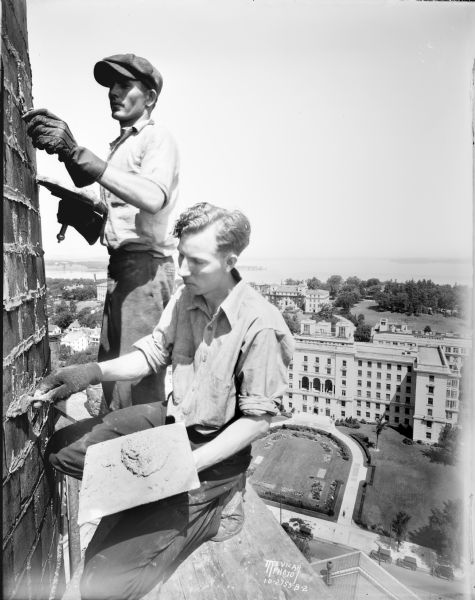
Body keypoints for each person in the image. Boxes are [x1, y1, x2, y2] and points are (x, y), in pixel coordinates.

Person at [38, 203, 294, 600]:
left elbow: (257, 421)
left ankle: (217, 511)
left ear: (230, 261)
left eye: (196, 261)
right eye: (180, 256)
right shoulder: (186, 295)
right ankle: (142, 497)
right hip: (171, 421)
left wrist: (183, 467)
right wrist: (91, 372)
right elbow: (152, 353)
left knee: (101, 587)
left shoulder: (261, 325)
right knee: (62, 451)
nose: (184, 269)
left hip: (212, 452)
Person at [24, 53, 179, 414]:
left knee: (133, 389)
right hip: (123, 271)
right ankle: (116, 446)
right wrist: (79, 195)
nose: (114, 92)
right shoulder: (123, 144)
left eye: (125, 86)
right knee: (115, 384)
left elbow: (153, 197)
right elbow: (118, 209)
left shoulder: (156, 139)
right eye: (111, 86)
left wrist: (77, 152)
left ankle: (133, 459)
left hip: (145, 273)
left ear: (151, 97)